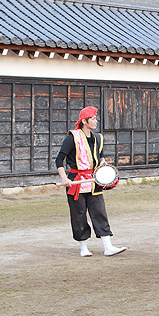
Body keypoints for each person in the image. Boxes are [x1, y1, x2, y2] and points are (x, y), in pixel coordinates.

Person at [55, 106, 126, 257]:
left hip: (94, 181)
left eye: (95, 118)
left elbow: (101, 156)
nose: (96, 121)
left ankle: (108, 247)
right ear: (84, 121)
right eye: (93, 118)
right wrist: (64, 178)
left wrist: (103, 167)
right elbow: (59, 159)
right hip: (76, 181)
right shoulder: (72, 137)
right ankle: (83, 248)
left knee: (100, 212)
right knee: (79, 214)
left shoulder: (98, 138)